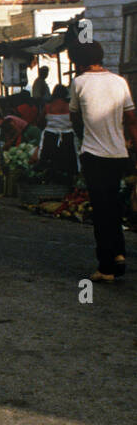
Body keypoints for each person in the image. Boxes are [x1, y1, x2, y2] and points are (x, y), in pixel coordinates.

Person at [69, 40, 137, 282]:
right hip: (119, 154)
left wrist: (84, 135)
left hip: (93, 154)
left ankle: (106, 267)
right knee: (114, 205)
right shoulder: (119, 81)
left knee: (101, 209)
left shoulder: (79, 82)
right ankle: (118, 253)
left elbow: (75, 118)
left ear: (78, 61)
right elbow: (130, 119)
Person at [37, 84, 78, 182]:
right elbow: (76, 122)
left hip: (50, 138)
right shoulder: (70, 107)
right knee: (67, 164)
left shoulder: (48, 107)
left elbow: (39, 122)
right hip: (67, 138)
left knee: (50, 164)